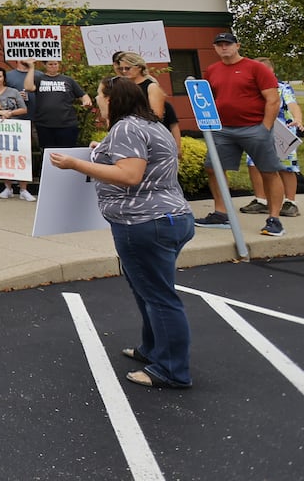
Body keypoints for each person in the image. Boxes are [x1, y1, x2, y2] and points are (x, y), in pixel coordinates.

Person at [50, 78, 195, 389]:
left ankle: (172, 369)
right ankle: (153, 350)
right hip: (172, 217)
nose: (98, 103)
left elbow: (130, 174)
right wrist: (101, 150)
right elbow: (139, 159)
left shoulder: (126, 128)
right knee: (150, 290)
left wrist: (77, 164)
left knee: (159, 296)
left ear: (112, 99)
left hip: (143, 223)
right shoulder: (151, 124)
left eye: (101, 97)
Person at [196, 33, 287, 236]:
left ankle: (274, 219)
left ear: (237, 45)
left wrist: (265, 127)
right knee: (214, 169)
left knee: (269, 171)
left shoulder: (256, 68)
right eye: (219, 44)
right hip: (222, 129)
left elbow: (272, 99)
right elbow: (208, 97)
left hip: (254, 127)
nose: (224, 47)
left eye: (227, 44)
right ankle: (221, 214)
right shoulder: (212, 70)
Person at [241, 57, 303, 218]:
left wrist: (298, 119)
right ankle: (261, 200)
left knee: (286, 166)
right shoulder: (251, 90)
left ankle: (290, 202)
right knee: (253, 163)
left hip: (282, 130)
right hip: (258, 130)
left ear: (271, 71)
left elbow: (292, 104)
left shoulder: (282, 87)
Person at [19, 57, 92, 185]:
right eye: (50, 64)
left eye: (55, 64)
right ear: (45, 66)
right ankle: (50, 181)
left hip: (67, 124)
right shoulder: (39, 79)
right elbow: (28, 87)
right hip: (44, 124)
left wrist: (86, 101)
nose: (53, 66)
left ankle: (68, 181)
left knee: (67, 153)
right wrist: (31, 67)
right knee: (48, 154)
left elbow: (82, 94)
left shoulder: (67, 80)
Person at [0, 67, 33, 201]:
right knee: (3, 158)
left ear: (4, 78)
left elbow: (23, 109)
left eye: (0, 76)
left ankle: (23, 189)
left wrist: (10, 113)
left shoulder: (13, 92)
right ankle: (8, 187)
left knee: (20, 157)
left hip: (15, 128)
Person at [115, 53, 180, 150]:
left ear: (139, 67)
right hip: (129, 135)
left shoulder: (151, 87)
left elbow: (156, 116)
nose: (124, 71)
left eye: (127, 68)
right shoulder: (123, 87)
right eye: (121, 69)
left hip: (150, 136)